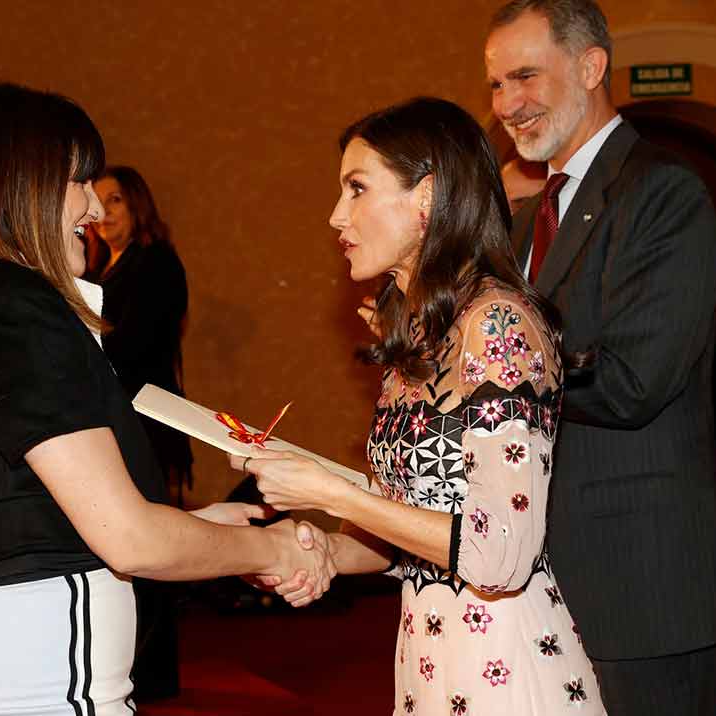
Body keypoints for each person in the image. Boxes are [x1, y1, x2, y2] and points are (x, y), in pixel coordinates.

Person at [0, 82, 331, 716]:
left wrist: (203, 527)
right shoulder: (4, 304)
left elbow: (39, 510)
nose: (95, 208)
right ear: (22, 181)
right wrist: (274, 550)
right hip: (34, 678)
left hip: (24, 662)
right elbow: (130, 539)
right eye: (79, 180)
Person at [236, 97, 605, 714]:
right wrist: (317, 549)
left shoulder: (497, 327)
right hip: (432, 667)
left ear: (427, 196)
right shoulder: (423, 334)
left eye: (357, 188)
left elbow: (500, 558)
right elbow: (403, 529)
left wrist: (330, 491)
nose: (335, 216)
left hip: (507, 675)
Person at [485, 1, 716, 712]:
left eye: (525, 76)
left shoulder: (664, 194)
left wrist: (492, 360)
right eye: (497, 85)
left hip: (643, 588)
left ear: (592, 66)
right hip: (539, 581)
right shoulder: (526, 219)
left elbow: (632, 383)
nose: (509, 103)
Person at [88, 166, 193, 700]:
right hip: (122, 420)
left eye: (117, 202)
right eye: (98, 202)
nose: (104, 214)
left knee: (149, 550)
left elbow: (132, 346)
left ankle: (151, 677)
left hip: (147, 421)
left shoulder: (155, 264)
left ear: (138, 208)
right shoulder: (105, 267)